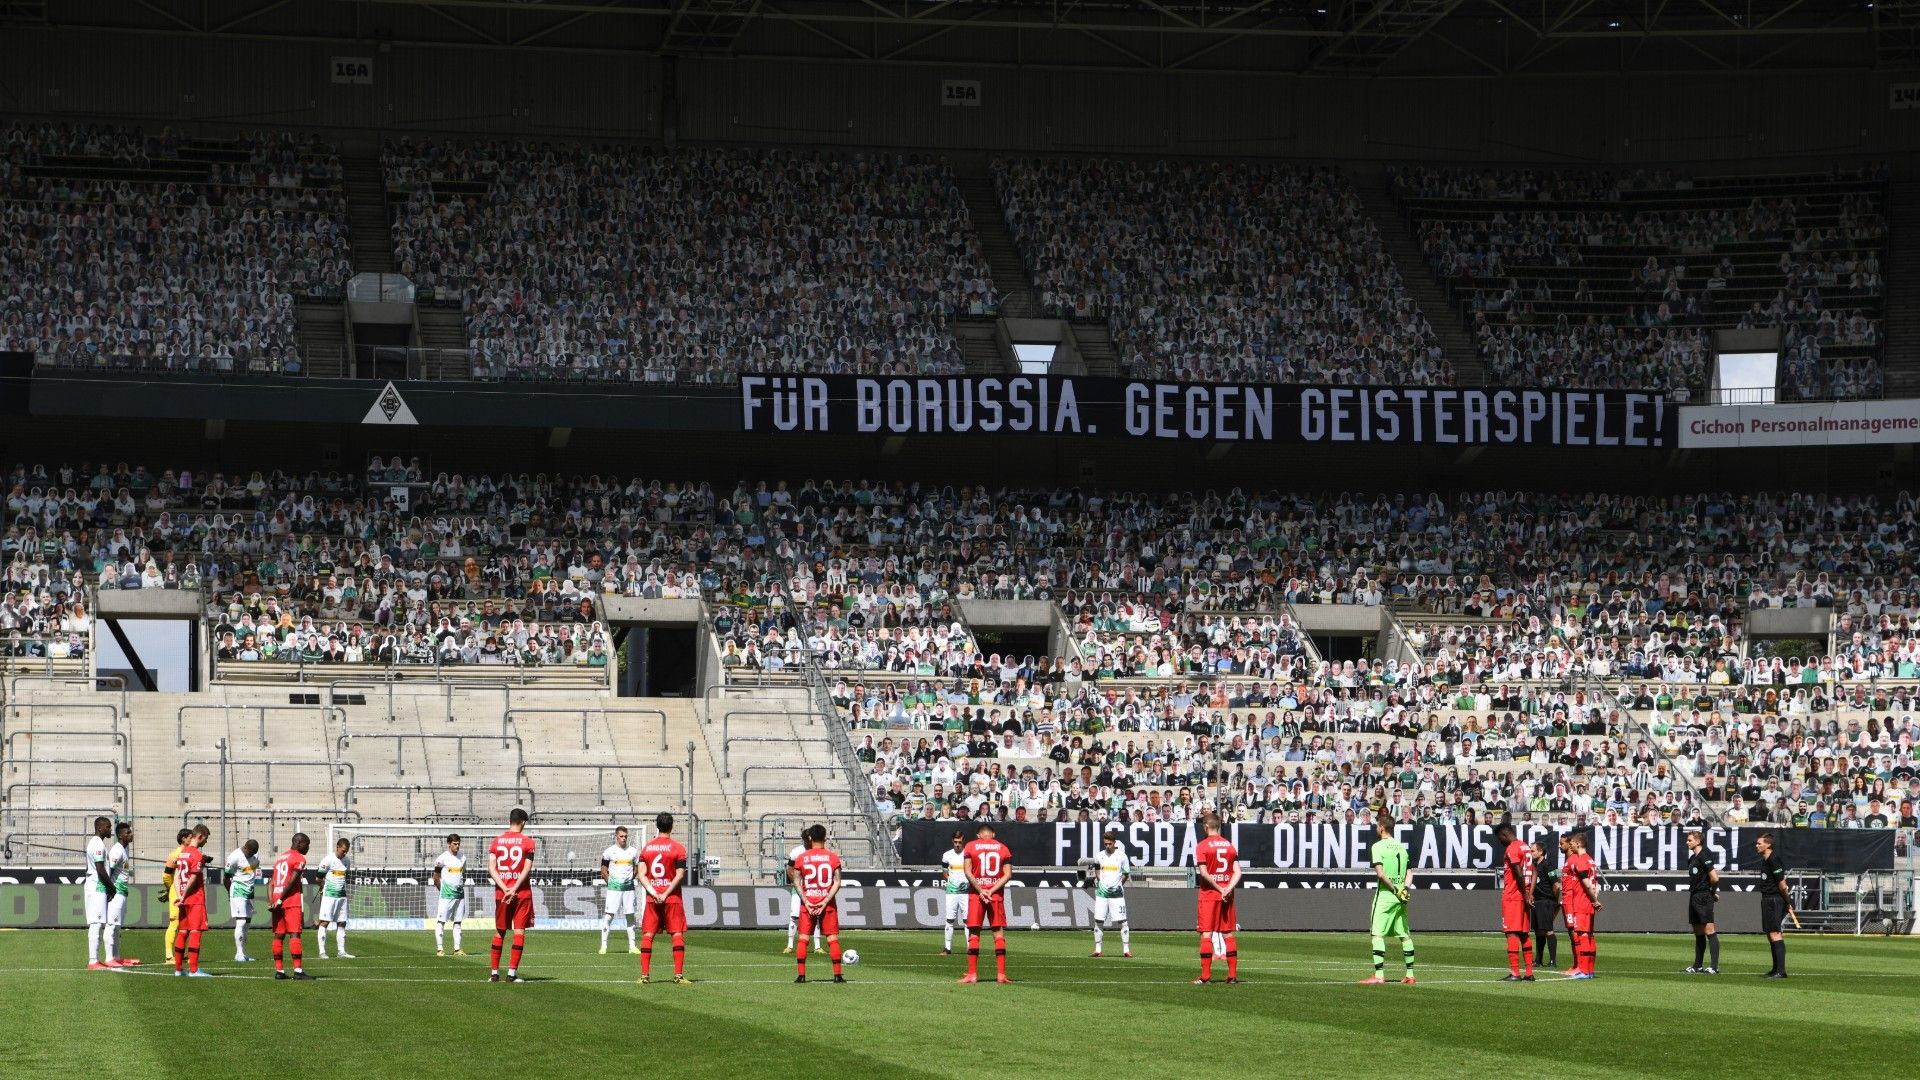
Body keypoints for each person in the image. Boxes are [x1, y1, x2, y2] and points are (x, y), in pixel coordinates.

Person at [1361, 812, 1414, 985]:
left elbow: (1380, 874)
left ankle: (1379, 975)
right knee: (1404, 935)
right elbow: (1410, 873)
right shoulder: (1401, 847)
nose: (1376, 828)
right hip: (1401, 897)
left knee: (1377, 934)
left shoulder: (1377, 846)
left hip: (1385, 896)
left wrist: (1394, 890)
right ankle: (1410, 975)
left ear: (1382, 828)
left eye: (1377, 826)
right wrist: (1404, 889)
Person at [637, 811, 689, 984]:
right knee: (677, 934)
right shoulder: (678, 848)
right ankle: (678, 976)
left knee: (648, 935)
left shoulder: (647, 848)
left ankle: (645, 976)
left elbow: (641, 874)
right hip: (672, 898)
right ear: (671, 826)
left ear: (657, 826)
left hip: (652, 899)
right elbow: (680, 874)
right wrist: (665, 893)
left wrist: (654, 892)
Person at [958, 822, 1013, 985]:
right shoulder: (1003, 848)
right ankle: (1001, 975)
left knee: (974, 933)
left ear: (978, 835)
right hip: (995, 895)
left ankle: (972, 974)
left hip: (977, 895)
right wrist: (991, 890)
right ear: (993, 834)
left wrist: (981, 890)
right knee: (998, 933)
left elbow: (967, 871)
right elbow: (1008, 875)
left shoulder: (970, 846)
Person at [791, 824, 846, 983]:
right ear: (825, 838)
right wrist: (825, 901)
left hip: (808, 902)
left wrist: (807, 902)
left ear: (809, 838)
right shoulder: (833, 857)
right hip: (827, 904)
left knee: (803, 939)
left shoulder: (801, 858)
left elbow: (796, 881)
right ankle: (837, 975)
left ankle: (801, 976)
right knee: (832, 939)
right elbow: (837, 882)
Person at [488, 808, 536, 983]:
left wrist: (505, 888)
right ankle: (511, 974)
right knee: (519, 931)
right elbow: (527, 868)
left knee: (500, 931)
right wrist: (514, 888)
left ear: (510, 820)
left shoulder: (496, 842)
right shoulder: (528, 842)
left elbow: (491, 868)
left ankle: (494, 973)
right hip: (521, 893)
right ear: (523, 822)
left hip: (502, 893)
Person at [1193, 814, 1240, 985]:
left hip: (1209, 895)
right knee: (1227, 933)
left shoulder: (1202, 846)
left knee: (1206, 933)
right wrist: (1227, 889)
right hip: (1227, 896)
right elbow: (1238, 872)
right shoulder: (1229, 845)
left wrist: (1219, 889)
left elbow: (1204, 873)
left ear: (1206, 826)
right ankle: (1232, 976)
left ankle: (1205, 977)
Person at [1494, 820, 1534, 981]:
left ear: (1504, 834)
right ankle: (1529, 973)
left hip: (1513, 896)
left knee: (1511, 932)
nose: (1500, 842)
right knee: (1524, 934)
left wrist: (1524, 893)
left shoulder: (1512, 848)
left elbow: (1518, 873)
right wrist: (1529, 893)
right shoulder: (1526, 847)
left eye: (1499, 838)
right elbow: (1534, 871)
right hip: (1524, 896)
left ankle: (1515, 973)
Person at [269, 833, 312, 980]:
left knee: (279, 935)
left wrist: (272, 901)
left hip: (276, 898)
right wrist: (281, 899)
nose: (308, 848)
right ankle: (298, 971)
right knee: (295, 933)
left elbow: (271, 883)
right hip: (290, 900)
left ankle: (279, 971)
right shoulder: (299, 858)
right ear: (299, 843)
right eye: (307, 844)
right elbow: (292, 881)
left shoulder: (280, 858)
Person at [172, 824, 213, 977]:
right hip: (195, 898)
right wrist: (184, 896)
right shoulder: (197, 855)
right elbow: (194, 878)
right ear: (200, 836)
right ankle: (194, 970)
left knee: (183, 931)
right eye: (206, 839)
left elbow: (176, 876)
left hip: (183, 899)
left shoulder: (182, 853)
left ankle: (178, 969)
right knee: (195, 931)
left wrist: (180, 895)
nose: (206, 842)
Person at [1560, 832, 1600, 979]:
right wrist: (1594, 898)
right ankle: (1589, 970)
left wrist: (1594, 900)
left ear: (1577, 844)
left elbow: (1587, 884)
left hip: (1581, 902)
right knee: (1589, 934)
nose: (1570, 845)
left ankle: (1583, 970)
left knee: (1582, 934)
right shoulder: (1590, 860)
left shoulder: (1581, 860)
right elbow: (1595, 884)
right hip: (1587, 902)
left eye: (1572, 843)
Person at [1089, 829, 1132, 958]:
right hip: (1102, 893)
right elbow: (1097, 870)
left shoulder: (1122, 856)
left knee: (1122, 922)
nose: (1107, 846)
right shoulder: (1099, 855)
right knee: (1098, 921)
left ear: (1114, 842)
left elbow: (1126, 873)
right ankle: (1098, 949)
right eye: (1105, 844)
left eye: (1110, 844)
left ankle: (1126, 950)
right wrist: (1100, 881)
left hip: (1117, 894)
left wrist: (1119, 885)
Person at [1756, 832, 1793, 978]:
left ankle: (1781, 971)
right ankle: (1775, 969)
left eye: (1759, 843)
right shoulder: (1765, 860)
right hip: (1767, 898)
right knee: (1770, 933)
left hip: (1774, 899)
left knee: (1775, 933)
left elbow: (1782, 885)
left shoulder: (1774, 859)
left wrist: (1787, 902)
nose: (1756, 846)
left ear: (1768, 845)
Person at [1684, 831, 1721, 974]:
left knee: (1709, 930)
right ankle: (1697, 966)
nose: (1687, 842)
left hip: (1703, 896)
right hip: (1694, 895)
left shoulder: (1704, 855)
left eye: (1690, 840)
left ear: (1698, 841)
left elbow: (1714, 878)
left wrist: (1712, 892)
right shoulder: (1692, 858)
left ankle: (1714, 967)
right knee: (1698, 932)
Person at [600, 826, 641, 956]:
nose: (624, 838)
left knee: (630, 916)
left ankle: (632, 946)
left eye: (625, 836)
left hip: (628, 889)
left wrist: (630, 879)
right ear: (616, 836)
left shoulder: (633, 851)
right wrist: (611, 883)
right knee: (608, 916)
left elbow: (637, 868)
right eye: (621, 836)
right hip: (614, 889)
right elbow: (603, 870)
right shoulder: (609, 852)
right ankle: (603, 946)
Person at [103, 822, 139, 968]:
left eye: (131, 832)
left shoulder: (125, 849)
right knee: (111, 925)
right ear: (120, 835)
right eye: (128, 833)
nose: (131, 834)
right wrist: (109, 890)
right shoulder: (117, 850)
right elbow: (108, 871)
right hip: (115, 893)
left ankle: (116, 958)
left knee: (117, 927)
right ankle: (108, 958)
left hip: (122, 892)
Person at [315, 837, 355, 959]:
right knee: (325, 922)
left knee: (342, 922)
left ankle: (341, 952)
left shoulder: (347, 861)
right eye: (343, 850)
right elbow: (318, 878)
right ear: (337, 847)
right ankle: (322, 952)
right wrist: (323, 888)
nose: (345, 853)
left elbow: (345, 877)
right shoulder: (328, 860)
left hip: (342, 896)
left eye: (346, 851)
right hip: (329, 896)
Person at [225, 838, 262, 962]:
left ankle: (243, 953)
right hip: (238, 890)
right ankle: (239, 954)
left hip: (250, 891)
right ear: (245, 848)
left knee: (247, 923)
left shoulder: (255, 855)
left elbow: (252, 869)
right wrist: (230, 893)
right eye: (250, 853)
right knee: (241, 922)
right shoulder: (234, 857)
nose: (251, 855)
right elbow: (226, 877)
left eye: (253, 853)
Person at [85, 816, 115, 969]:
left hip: (98, 886)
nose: (110, 829)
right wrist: (112, 887)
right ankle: (93, 961)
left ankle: (95, 959)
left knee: (98, 922)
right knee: (96, 923)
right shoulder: (97, 843)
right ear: (100, 828)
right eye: (108, 827)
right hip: (97, 886)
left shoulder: (98, 843)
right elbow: (100, 869)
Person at [782, 835, 820, 956]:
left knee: (816, 915)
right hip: (798, 889)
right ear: (804, 839)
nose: (809, 841)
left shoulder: (818, 851)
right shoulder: (796, 851)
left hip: (813, 888)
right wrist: (796, 883)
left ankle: (818, 947)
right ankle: (789, 946)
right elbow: (789, 869)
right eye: (807, 839)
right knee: (794, 916)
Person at [431, 834, 467, 956]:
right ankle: (440, 949)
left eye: (458, 844)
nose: (457, 846)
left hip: (459, 895)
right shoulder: (442, 858)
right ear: (449, 844)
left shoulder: (463, 857)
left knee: (458, 922)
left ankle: (457, 949)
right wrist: (442, 890)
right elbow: (436, 877)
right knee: (441, 921)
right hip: (446, 895)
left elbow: (462, 875)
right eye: (455, 844)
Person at [161, 827, 191, 965]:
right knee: (175, 922)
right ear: (183, 839)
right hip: (177, 891)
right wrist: (171, 889)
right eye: (190, 837)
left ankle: (182, 953)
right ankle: (169, 956)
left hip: (188, 891)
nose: (192, 839)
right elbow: (166, 876)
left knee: (187, 924)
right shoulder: (174, 855)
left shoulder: (191, 853)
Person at [1529, 840, 1559, 970]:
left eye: (1533, 850)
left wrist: (1553, 901)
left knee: (1548, 930)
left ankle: (1552, 961)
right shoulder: (1534, 865)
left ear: (1541, 852)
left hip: (1546, 901)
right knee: (1538, 930)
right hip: (1536, 901)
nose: (1531, 853)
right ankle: (1538, 960)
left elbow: (1556, 885)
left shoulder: (1548, 865)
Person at [938, 830, 969, 955]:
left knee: (968, 921)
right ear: (952, 841)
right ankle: (947, 948)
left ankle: (970, 948)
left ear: (963, 841)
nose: (957, 844)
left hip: (966, 892)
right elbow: (945, 872)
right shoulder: (947, 855)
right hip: (952, 891)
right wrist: (952, 883)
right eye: (955, 842)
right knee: (950, 920)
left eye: (960, 842)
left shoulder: (968, 854)